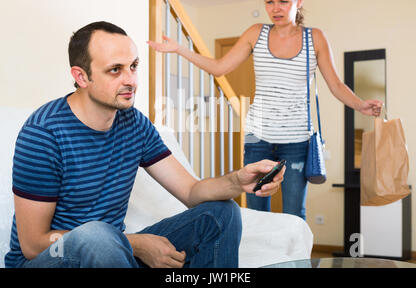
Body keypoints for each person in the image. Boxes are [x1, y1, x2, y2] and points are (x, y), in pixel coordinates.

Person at [4, 21, 284, 268]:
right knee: (96, 236)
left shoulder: (133, 122)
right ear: (81, 77)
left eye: (133, 66)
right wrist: (134, 244)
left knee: (221, 213)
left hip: (113, 253)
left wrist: (238, 180)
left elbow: (190, 191)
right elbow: (33, 245)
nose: (131, 81)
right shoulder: (44, 133)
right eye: (115, 70)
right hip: (50, 260)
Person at [147, 0, 382, 220]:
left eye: (283, 1)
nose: (276, 8)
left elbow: (335, 85)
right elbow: (219, 67)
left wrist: (360, 105)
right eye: (270, 2)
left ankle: (293, 260)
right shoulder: (255, 33)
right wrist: (179, 49)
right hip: (258, 139)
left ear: (298, 2)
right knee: (257, 213)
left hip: (296, 141)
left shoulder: (315, 38)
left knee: (294, 213)